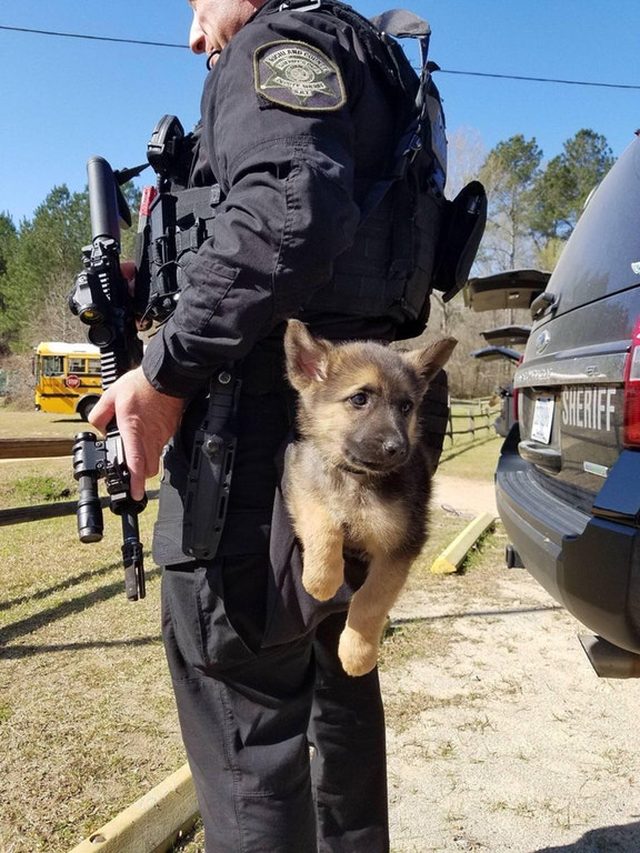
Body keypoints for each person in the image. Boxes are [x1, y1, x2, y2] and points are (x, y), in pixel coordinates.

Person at [89, 0, 450, 849]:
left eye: (196, 4)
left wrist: (166, 370)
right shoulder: (368, 55)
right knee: (340, 695)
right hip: (352, 457)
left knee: (248, 724)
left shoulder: (279, 47)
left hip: (257, 459)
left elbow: (295, 208)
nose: (193, 34)